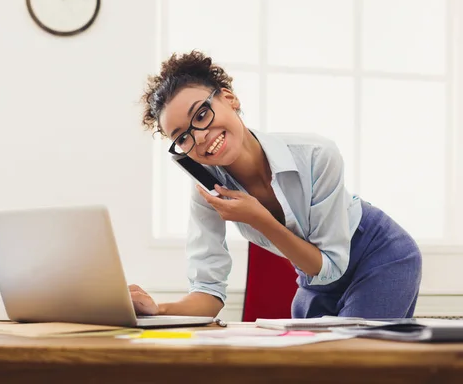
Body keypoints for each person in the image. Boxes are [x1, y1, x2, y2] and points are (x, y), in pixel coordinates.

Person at [129, 50, 422, 319]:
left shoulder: (316, 155)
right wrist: (159, 308)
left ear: (230, 99)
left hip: (377, 253)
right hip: (314, 278)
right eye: (182, 137)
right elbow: (208, 292)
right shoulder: (208, 193)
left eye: (202, 115)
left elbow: (330, 265)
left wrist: (260, 220)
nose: (200, 137)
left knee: (355, 362)